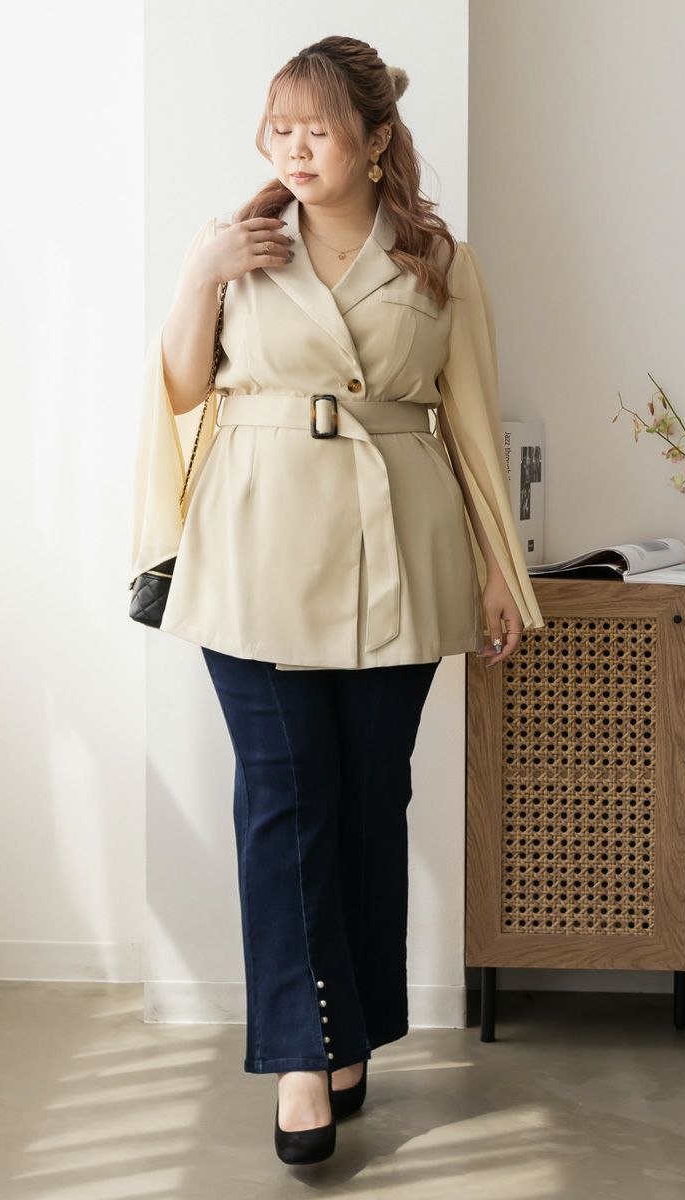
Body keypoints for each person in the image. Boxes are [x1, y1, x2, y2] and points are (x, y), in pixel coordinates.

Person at [130, 36, 545, 1165]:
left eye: (318, 128)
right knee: (283, 798)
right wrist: (200, 274)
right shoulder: (235, 247)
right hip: (252, 545)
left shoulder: (439, 262)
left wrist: (499, 569)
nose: (296, 149)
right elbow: (178, 388)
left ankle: (348, 1029)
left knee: (368, 796)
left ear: (373, 139)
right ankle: (302, 1062)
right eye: (280, 128)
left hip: (398, 546)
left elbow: (470, 420)